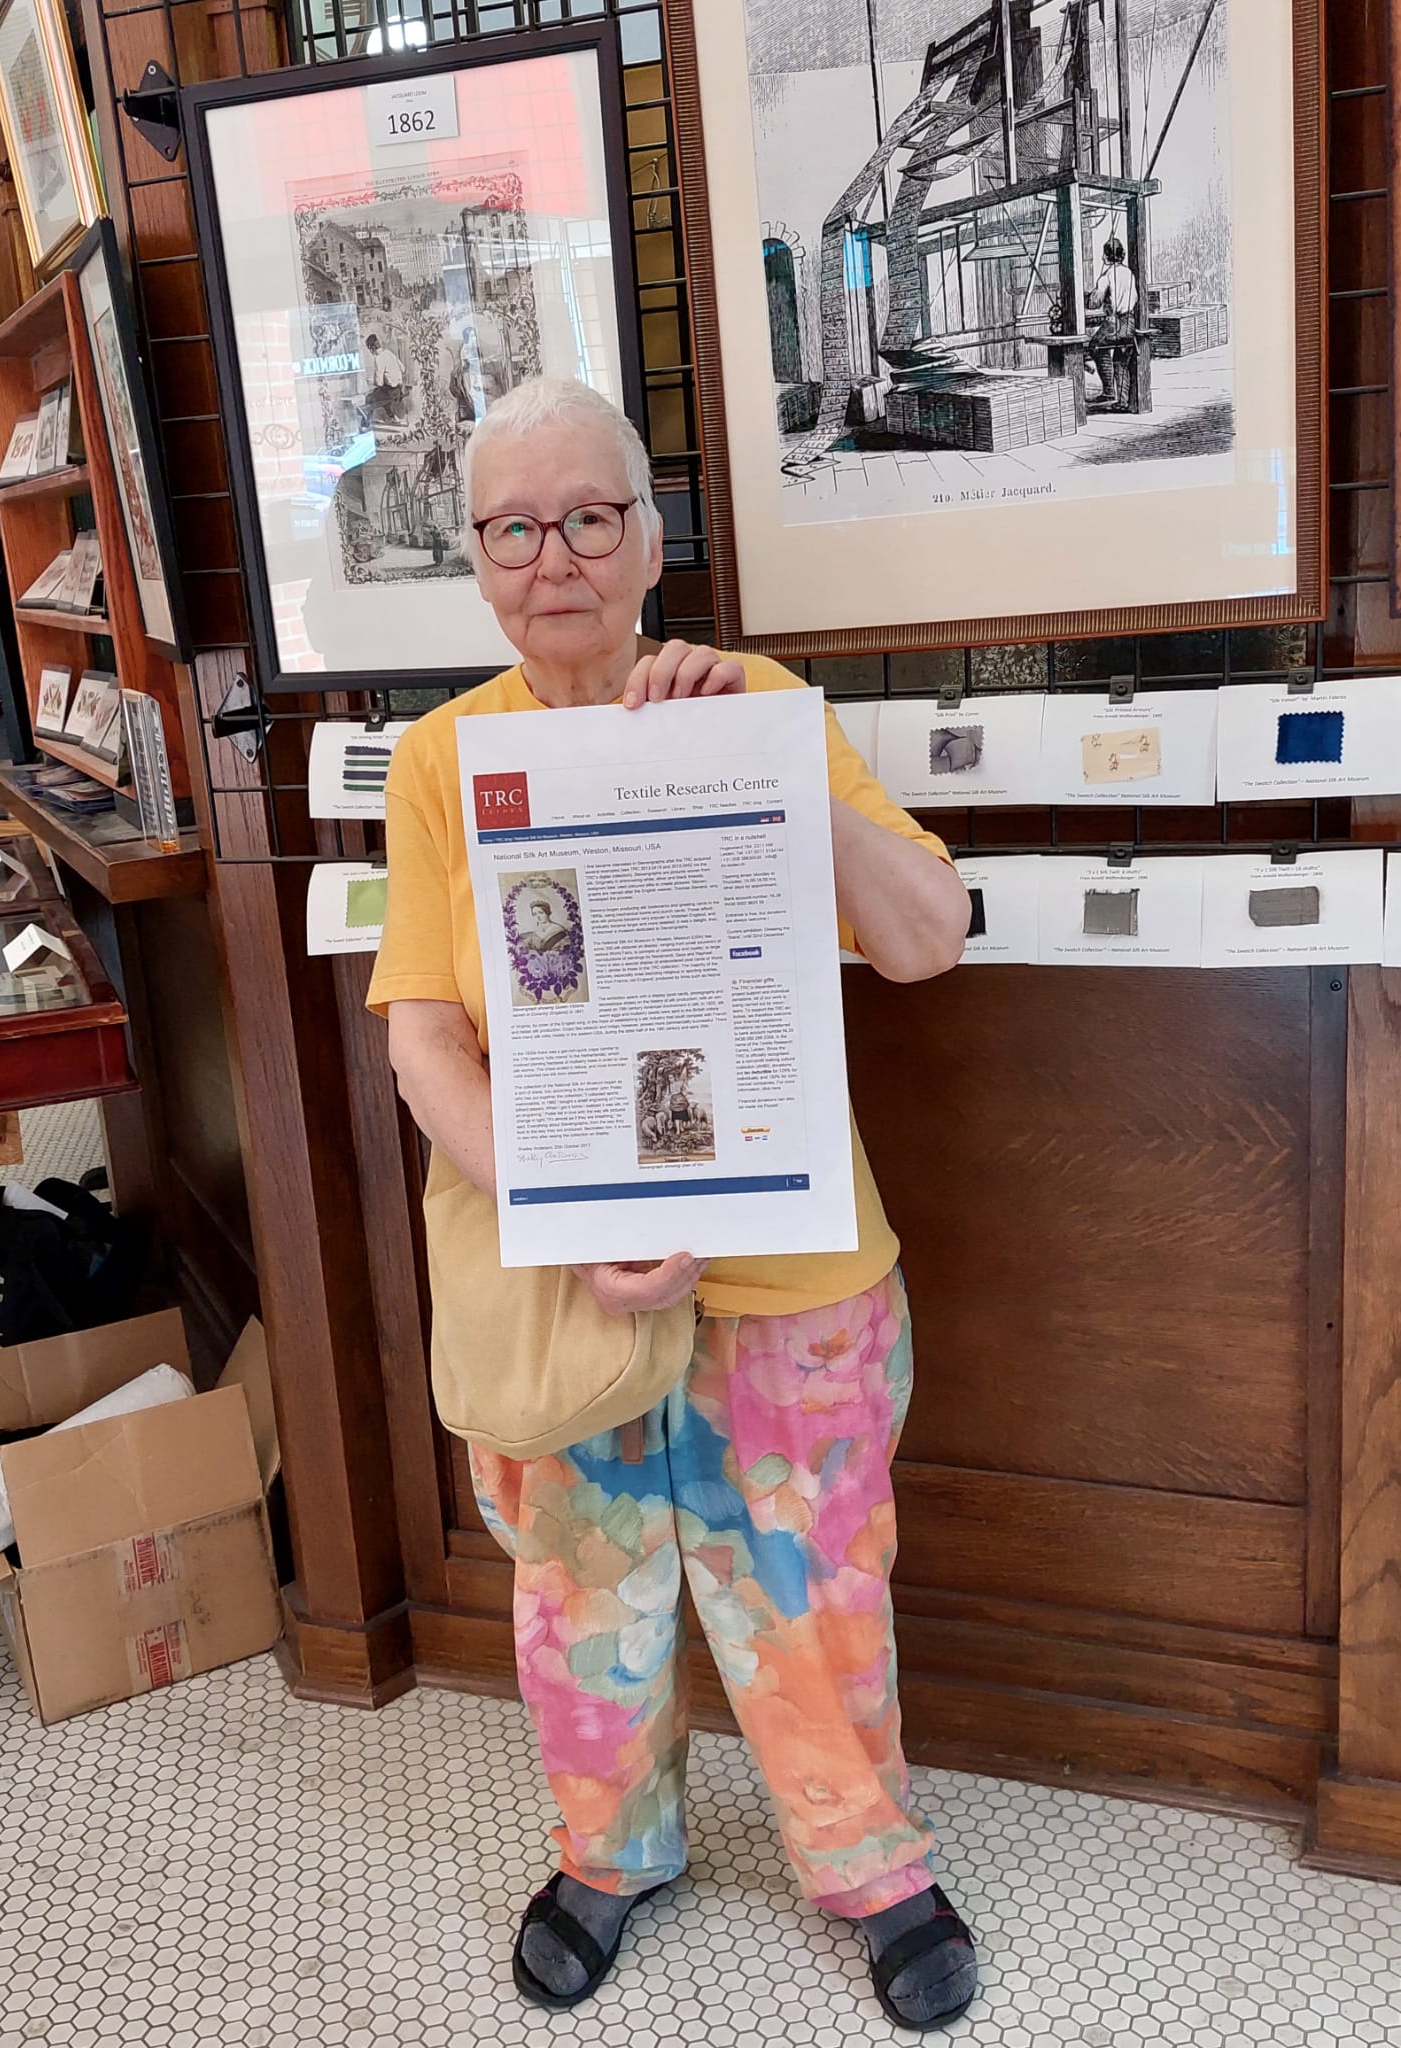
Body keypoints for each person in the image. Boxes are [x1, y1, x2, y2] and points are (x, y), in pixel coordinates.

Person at [366, 377, 977, 2029]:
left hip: (791, 1263)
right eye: (514, 526)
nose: (552, 555)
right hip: (567, 1263)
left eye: (588, 515)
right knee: (582, 1591)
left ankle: (869, 1860)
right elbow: (425, 1041)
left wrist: (770, 762)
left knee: (818, 1586)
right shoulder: (441, 761)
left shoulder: (763, 697)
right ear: (478, 558)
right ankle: (610, 1850)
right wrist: (575, 1218)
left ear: (649, 537)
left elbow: (926, 933)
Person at [1088, 235, 1139, 408]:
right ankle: (1123, 402)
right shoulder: (1129, 273)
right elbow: (1135, 298)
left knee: (1095, 346)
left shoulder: (1106, 276)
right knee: (1121, 360)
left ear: (1108, 255)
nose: (1102, 258)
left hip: (1114, 322)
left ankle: (1109, 390)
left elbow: (1094, 302)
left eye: (1104, 254)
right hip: (1129, 322)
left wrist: (1092, 295)